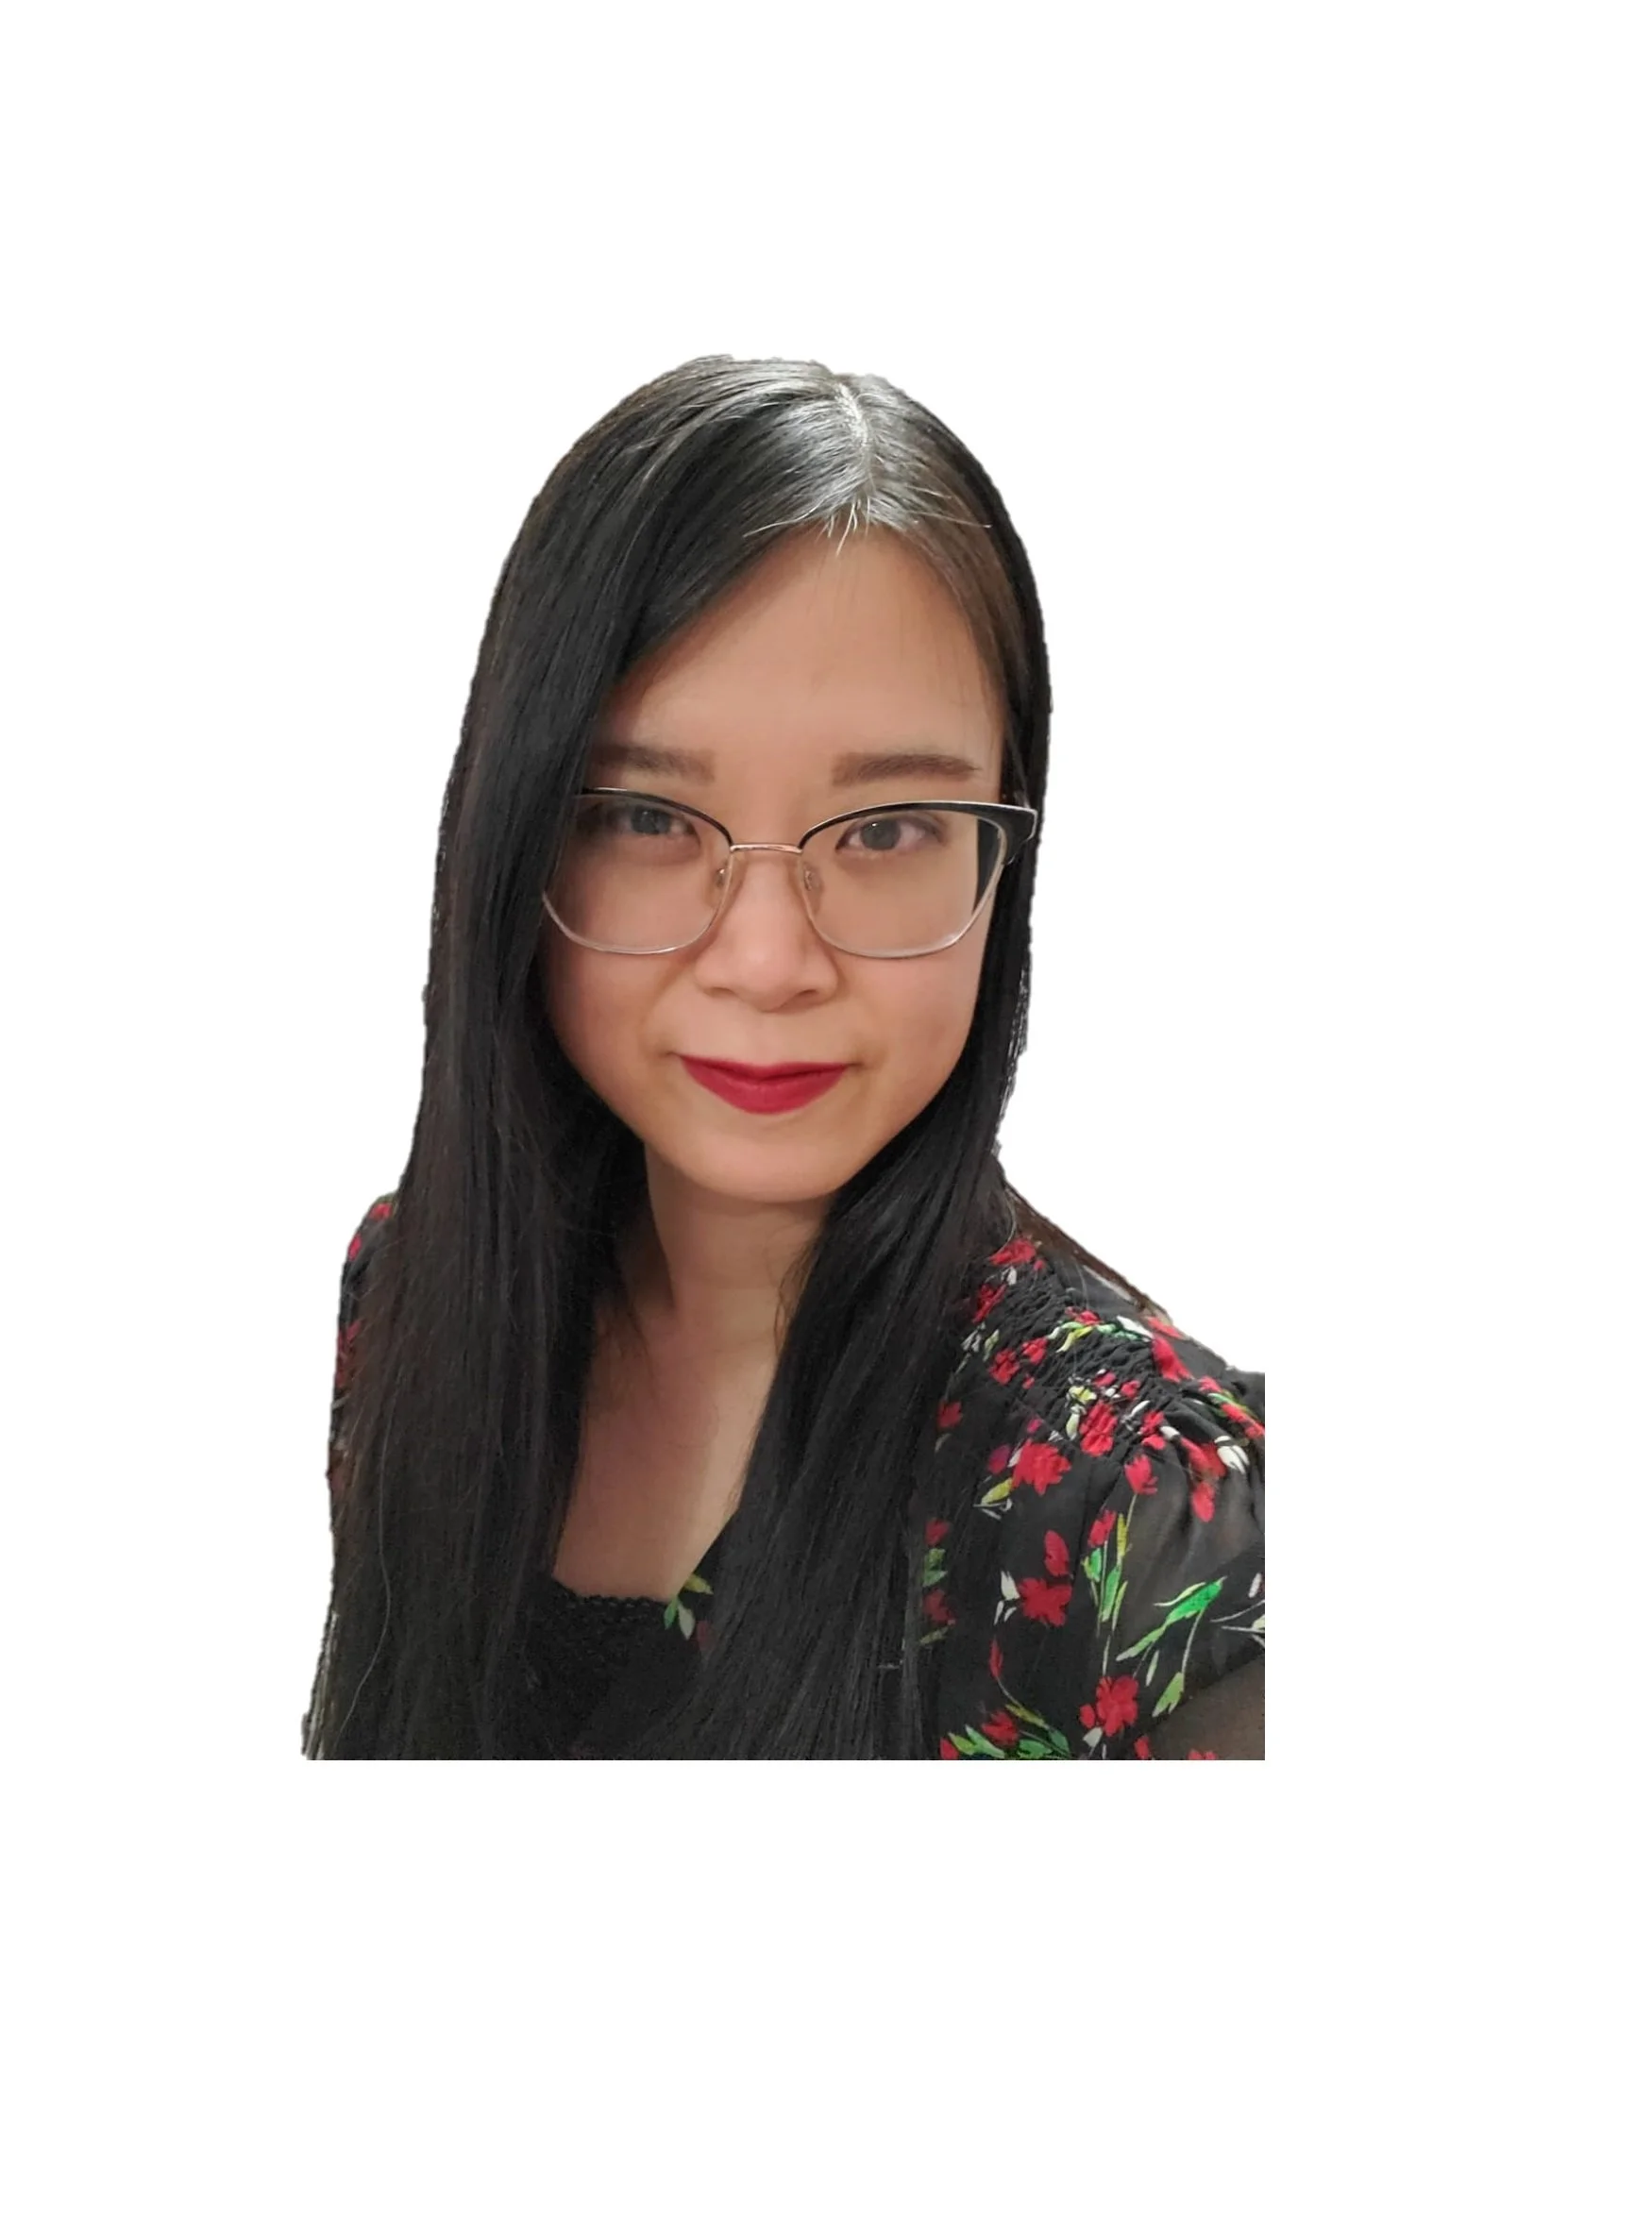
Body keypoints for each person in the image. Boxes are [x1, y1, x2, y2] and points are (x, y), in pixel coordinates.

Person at [303, 354, 1264, 1760]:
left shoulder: (1140, 1509)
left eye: (884, 832)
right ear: (512, 841)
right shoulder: (420, 1291)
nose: (766, 960)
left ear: (1004, 859)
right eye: (644, 818)